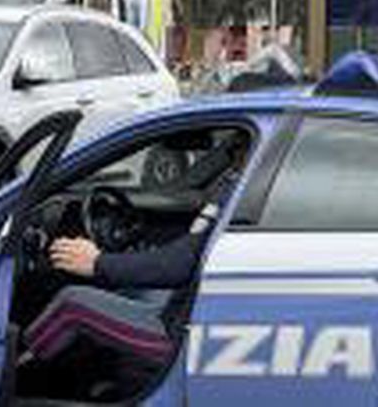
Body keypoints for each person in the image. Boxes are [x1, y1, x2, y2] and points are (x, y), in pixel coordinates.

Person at [20, 134, 246, 384]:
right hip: (183, 311)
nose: (230, 155)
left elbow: (180, 263)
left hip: (176, 333)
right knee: (123, 290)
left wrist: (98, 262)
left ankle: (12, 375)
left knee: (71, 304)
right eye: (230, 148)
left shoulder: (243, 193)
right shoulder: (241, 186)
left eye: (235, 147)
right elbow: (187, 244)